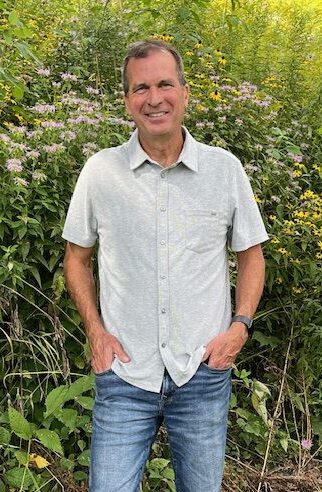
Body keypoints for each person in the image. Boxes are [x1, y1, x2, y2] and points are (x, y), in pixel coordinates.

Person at [62, 39, 268, 492]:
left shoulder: (224, 170)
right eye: (141, 88)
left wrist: (239, 328)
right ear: (126, 100)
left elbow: (251, 254)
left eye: (164, 84)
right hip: (123, 375)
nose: (154, 98)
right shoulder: (100, 172)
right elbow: (76, 258)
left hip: (202, 373)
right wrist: (95, 332)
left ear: (185, 92)